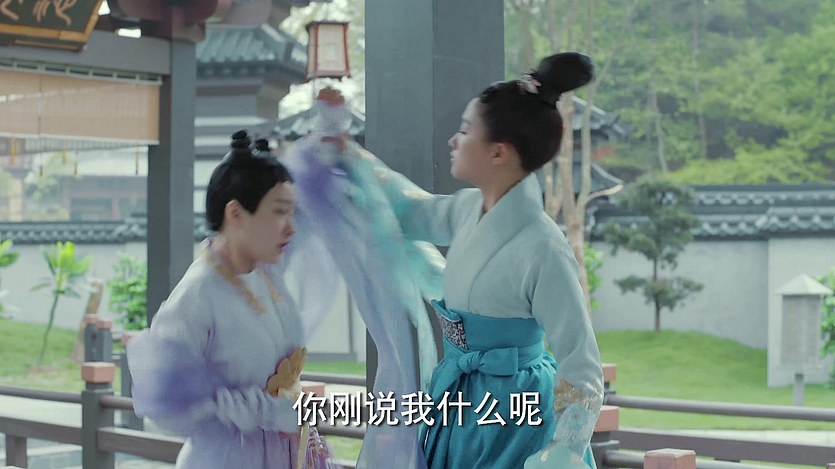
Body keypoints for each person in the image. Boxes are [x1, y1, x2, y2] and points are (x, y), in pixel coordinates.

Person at [293, 52, 604, 468]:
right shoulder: (468, 210)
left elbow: (581, 363)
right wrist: (345, 153)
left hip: (517, 416)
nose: (453, 141)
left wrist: (563, 450)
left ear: (498, 153)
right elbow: (404, 210)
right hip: (460, 398)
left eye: (465, 130)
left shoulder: (544, 247)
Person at [126, 132, 332, 468]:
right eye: (280, 212)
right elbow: (169, 405)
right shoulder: (196, 296)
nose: (291, 228)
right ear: (235, 213)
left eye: (293, 212)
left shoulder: (267, 271)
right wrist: (270, 412)